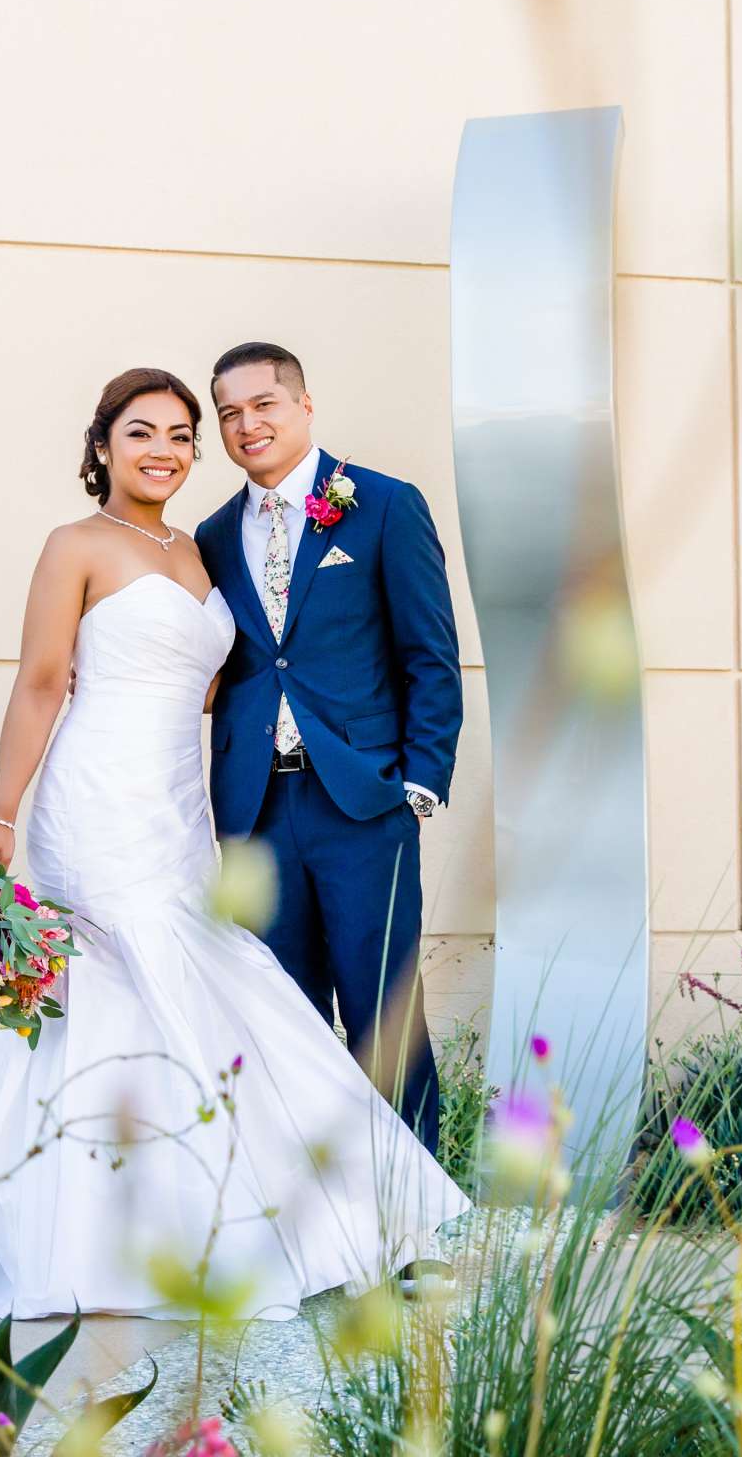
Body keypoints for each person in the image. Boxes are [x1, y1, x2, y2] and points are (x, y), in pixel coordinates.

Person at [0, 367, 464, 1320]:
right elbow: (42, 682)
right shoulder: (77, 545)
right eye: (145, 432)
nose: (171, 448)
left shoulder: (200, 548)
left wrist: (414, 775)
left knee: (255, 1000)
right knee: (115, 997)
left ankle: (313, 1217)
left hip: (186, 805)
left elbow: (252, 671)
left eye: (186, 433)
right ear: (102, 446)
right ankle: (93, 1237)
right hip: (97, 798)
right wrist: (2, 812)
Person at [194, 342, 461, 1152]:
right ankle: (323, 1223)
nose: (247, 425)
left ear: (304, 407)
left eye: (263, 405)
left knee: (385, 1010)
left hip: (362, 805)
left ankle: (416, 1217)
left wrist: (419, 784)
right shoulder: (211, 535)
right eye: (230, 414)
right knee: (286, 1015)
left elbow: (430, 655)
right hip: (258, 808)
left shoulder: (382, 505)